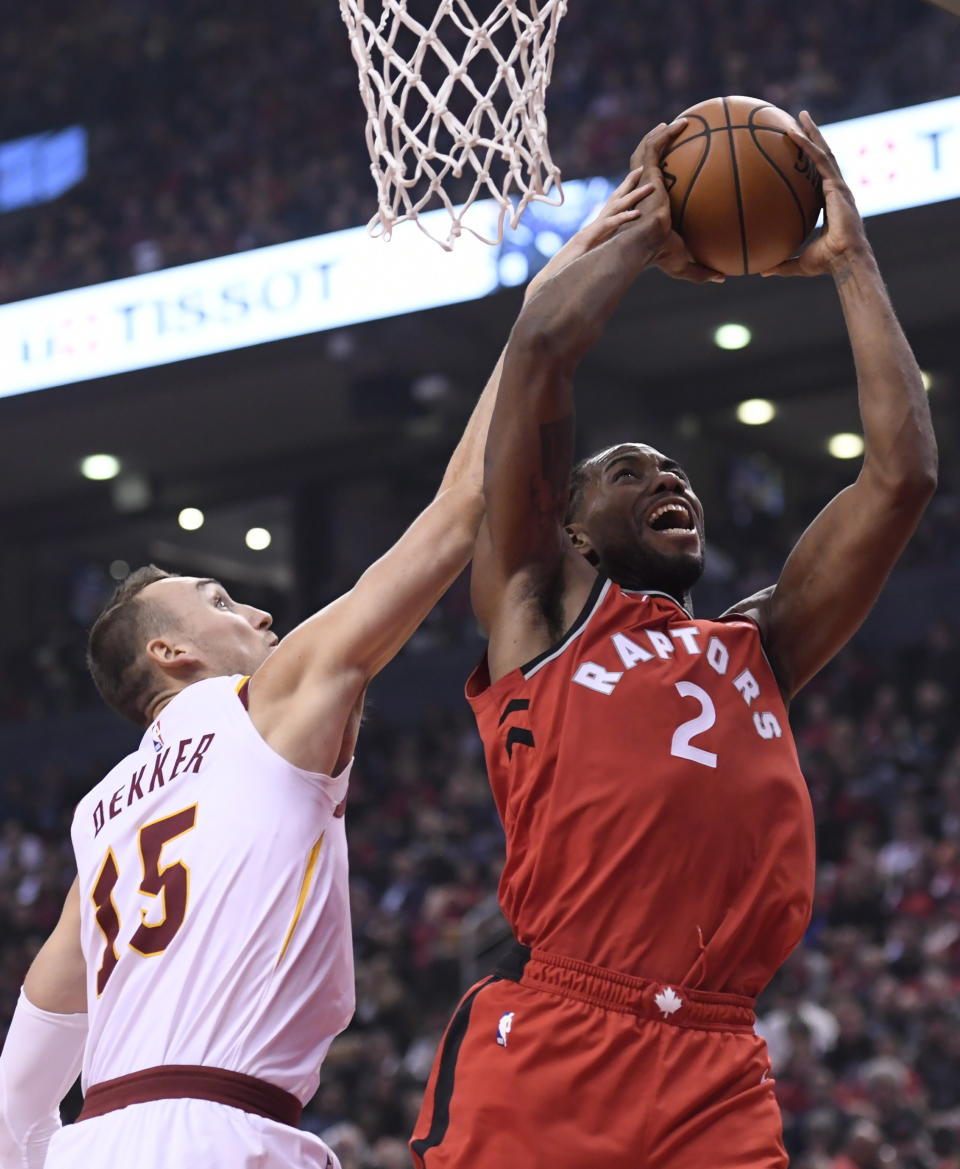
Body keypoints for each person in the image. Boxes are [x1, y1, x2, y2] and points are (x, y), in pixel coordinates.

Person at [0, 193, 650, 1169]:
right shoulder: (259, 707)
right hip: (221, 1131)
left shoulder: (99, 819)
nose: (258, 613)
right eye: (220, 599)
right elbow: (457, 511)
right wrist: (542, 319)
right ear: (170, 656)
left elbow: (21, 1076)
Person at [410, 114, 936, 1168]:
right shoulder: (536, 605)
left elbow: (901, 476)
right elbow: (543, 345)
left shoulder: (757, 646)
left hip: (716, 1052)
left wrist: (851, 258)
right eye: (630, 471)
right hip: (560, 1030)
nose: (670, 479)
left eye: (679, 472)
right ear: (567, 523)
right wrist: (648, 230)